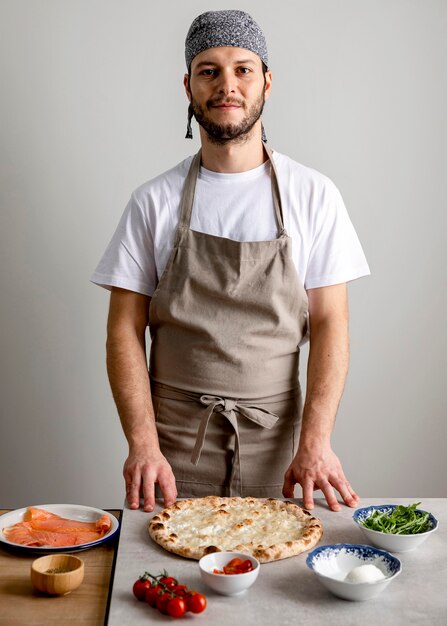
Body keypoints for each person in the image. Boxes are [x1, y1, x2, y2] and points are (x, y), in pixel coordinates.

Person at [91, 10, 370, 514]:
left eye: (242, 68)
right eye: (209, 70)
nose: (227, 86)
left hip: (281, 452)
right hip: (171, 452)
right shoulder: (153, 201)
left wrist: (317, 442)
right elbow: (122, 332)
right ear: (188, 86)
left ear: (267, 80)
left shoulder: (314, 196)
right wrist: (143, 445)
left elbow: (331, 324)